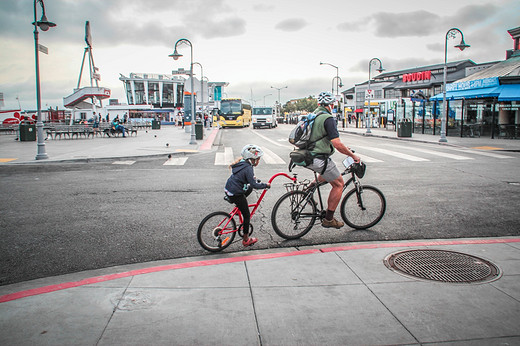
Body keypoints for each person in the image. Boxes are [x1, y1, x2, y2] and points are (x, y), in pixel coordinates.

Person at [305, 91, 361, 229]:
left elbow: (323, 138)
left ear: (318, 104)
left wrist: (344, 148)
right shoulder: (328, 118)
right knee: (339, 184)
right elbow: (336, 143)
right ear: (331, 105)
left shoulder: (313, 115)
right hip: (318, 157)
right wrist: (353, 156)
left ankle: (308, 190)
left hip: (306, 156)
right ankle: (329, 219)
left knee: (328, 172)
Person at [225, 144, 271, 247]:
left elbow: (250, 180)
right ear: (252, 159)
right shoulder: (248, 168)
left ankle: (238, 208)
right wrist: (265, 185)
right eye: (258, 159)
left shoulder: (242, 163)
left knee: (249, 187)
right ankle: (246, 239)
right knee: (246, 216)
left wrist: (255, 180)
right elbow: (254, 185)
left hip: (229, 189)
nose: (258, 161)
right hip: (236, 193)